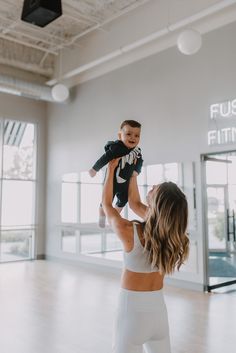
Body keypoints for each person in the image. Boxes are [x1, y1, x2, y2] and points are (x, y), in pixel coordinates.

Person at [102, 159, 189, 353]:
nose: (152, 187)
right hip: (159, 313)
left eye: (155, 188)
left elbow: (107, 206)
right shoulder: (174, 235)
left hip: (131, 313)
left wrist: (110, 170)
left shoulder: (129, 231)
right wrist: (132, 173)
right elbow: (134, 203)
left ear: (157, 202)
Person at [89, 120, 143, 228]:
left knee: (124, 200)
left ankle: (115, 216)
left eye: (137, 135)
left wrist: (137, 171)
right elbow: (105, 158)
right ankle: (102, 217)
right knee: (106, 200)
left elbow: (140, 161)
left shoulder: (137, 151)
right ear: (120, 135)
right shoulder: (117, 148)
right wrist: (94, 169)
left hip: (125, 182)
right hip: (112, 181)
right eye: (128, 134)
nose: (133, 138)